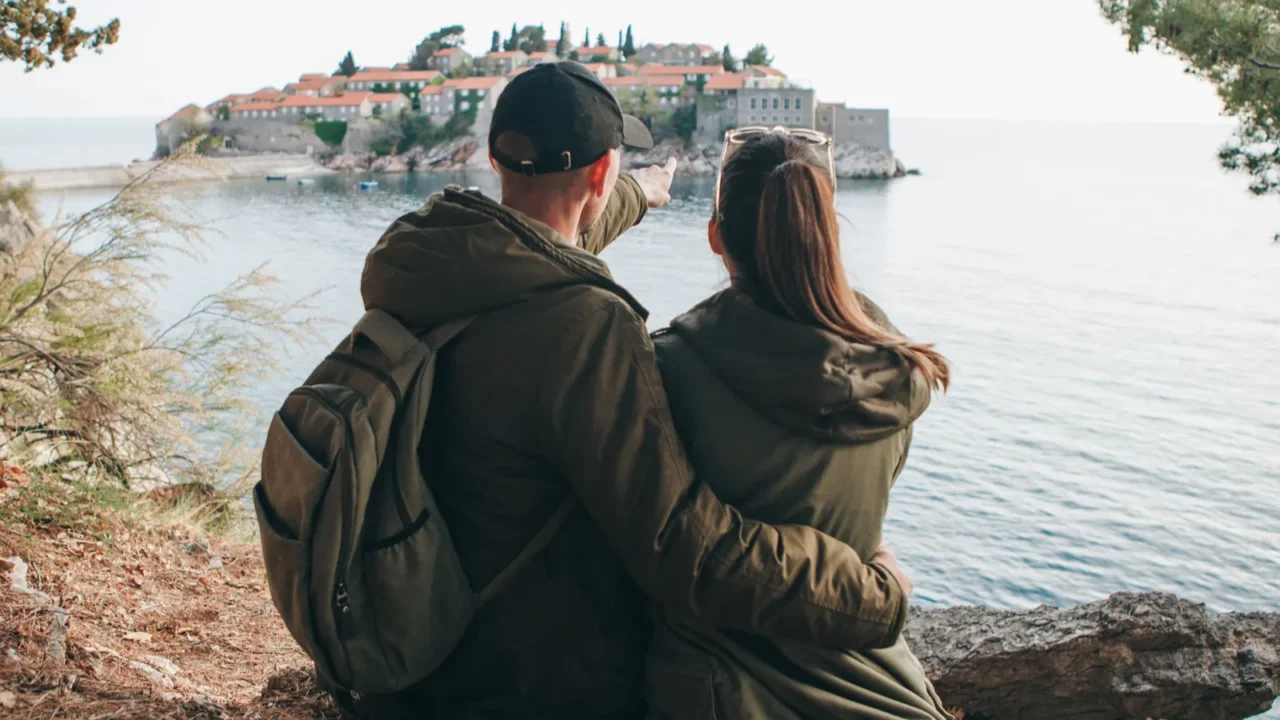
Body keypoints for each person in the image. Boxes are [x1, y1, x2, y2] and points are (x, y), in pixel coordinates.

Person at [354, 63, 912, 719]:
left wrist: (635, 195)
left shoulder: (426, 265)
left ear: (496, 153)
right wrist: (875, 597)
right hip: (527, 682)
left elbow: (536, 242)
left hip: (416, 633)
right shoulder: (588, 329)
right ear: (600, 172)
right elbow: (681, 546)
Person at [646, 127, 954, 719]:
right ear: (827, 233)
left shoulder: (670, 368)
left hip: (723, 691)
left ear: (715, 236)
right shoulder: (893, 365)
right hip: (882, 684)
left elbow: (666, 543)